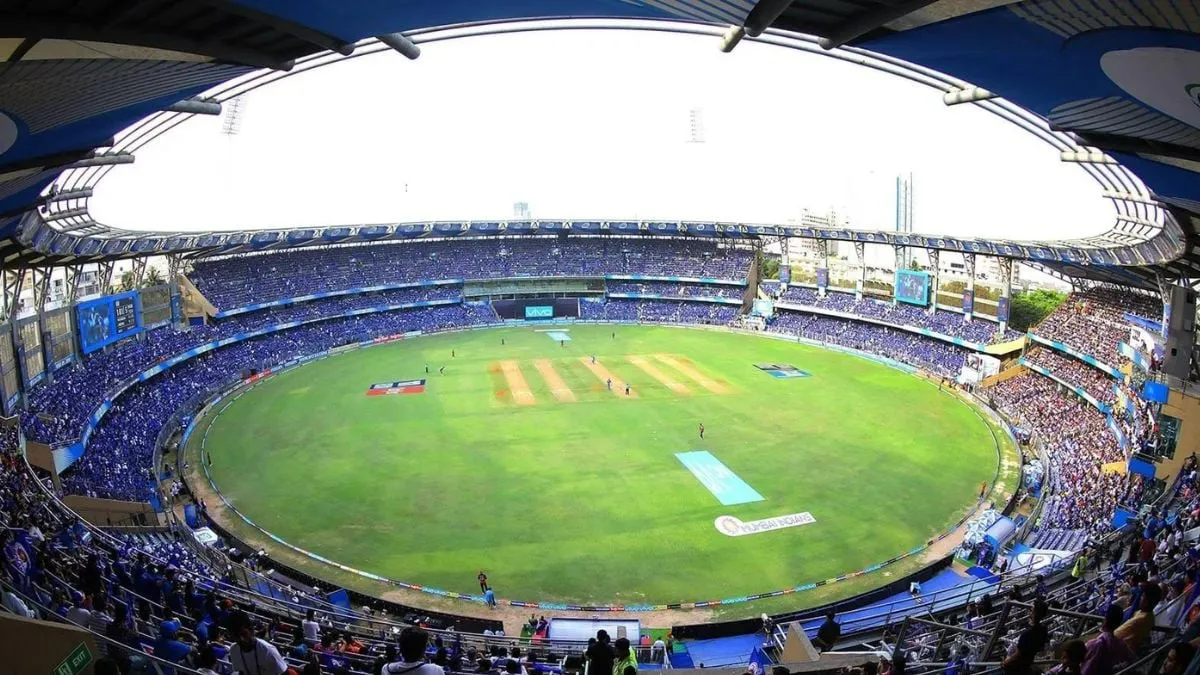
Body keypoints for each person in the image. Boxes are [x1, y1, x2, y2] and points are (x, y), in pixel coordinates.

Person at [228, 610, 287, 675]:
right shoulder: (234, 649)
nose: (241, 639)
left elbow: (283, 673)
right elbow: (241, 671)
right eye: (236, 636)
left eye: (243, 634)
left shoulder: (267, 650)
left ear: (251, 629)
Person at [1082, 605, 1135, 675]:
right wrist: (1116, 668)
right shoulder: (1121, 644)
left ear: (1105, 620)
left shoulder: (1095, 643)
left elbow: (1086, 670)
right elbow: (1133, 659)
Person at [1002, 599, 1048, 675]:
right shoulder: (1043, 629)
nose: (1030, 612)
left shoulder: (1027, 634)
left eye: (1031, 610)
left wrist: (1006, 662)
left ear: (1034, 613)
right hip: (1028, 663)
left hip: (1016, 667)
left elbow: (1018, 654)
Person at [1115, 582, 1162, 651]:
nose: (1140, 598)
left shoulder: (1143, 618)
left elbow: (1116, 634)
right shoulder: (1143, 613)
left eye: (1142, 596)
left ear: (1147, 601)